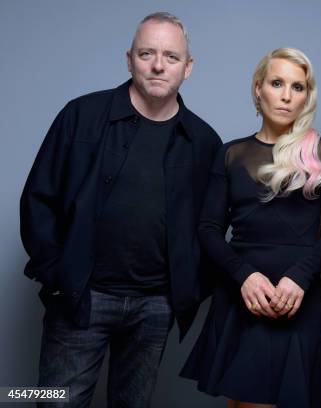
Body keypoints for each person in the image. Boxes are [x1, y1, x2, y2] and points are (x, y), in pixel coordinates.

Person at [19, 12, 221, 407]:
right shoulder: (81, 116)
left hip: (155, 307)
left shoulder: (204, 142)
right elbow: (38, 199)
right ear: (129, 59)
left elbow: (211, 226)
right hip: (81, 298)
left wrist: (188, 291)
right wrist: (59, 278)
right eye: (147, 53)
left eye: (171, 56)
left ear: (188, 67)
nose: (159, 65)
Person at [180, 47, 321, 408]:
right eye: (277, 83)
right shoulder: (231, 154)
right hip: (242, 295)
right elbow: (209, 228)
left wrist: (300, 277)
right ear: (259, 89)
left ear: (307, 95)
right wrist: (244, 276)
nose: (287, 95)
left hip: (295, 299)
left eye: (298, 87)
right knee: (242, 402)